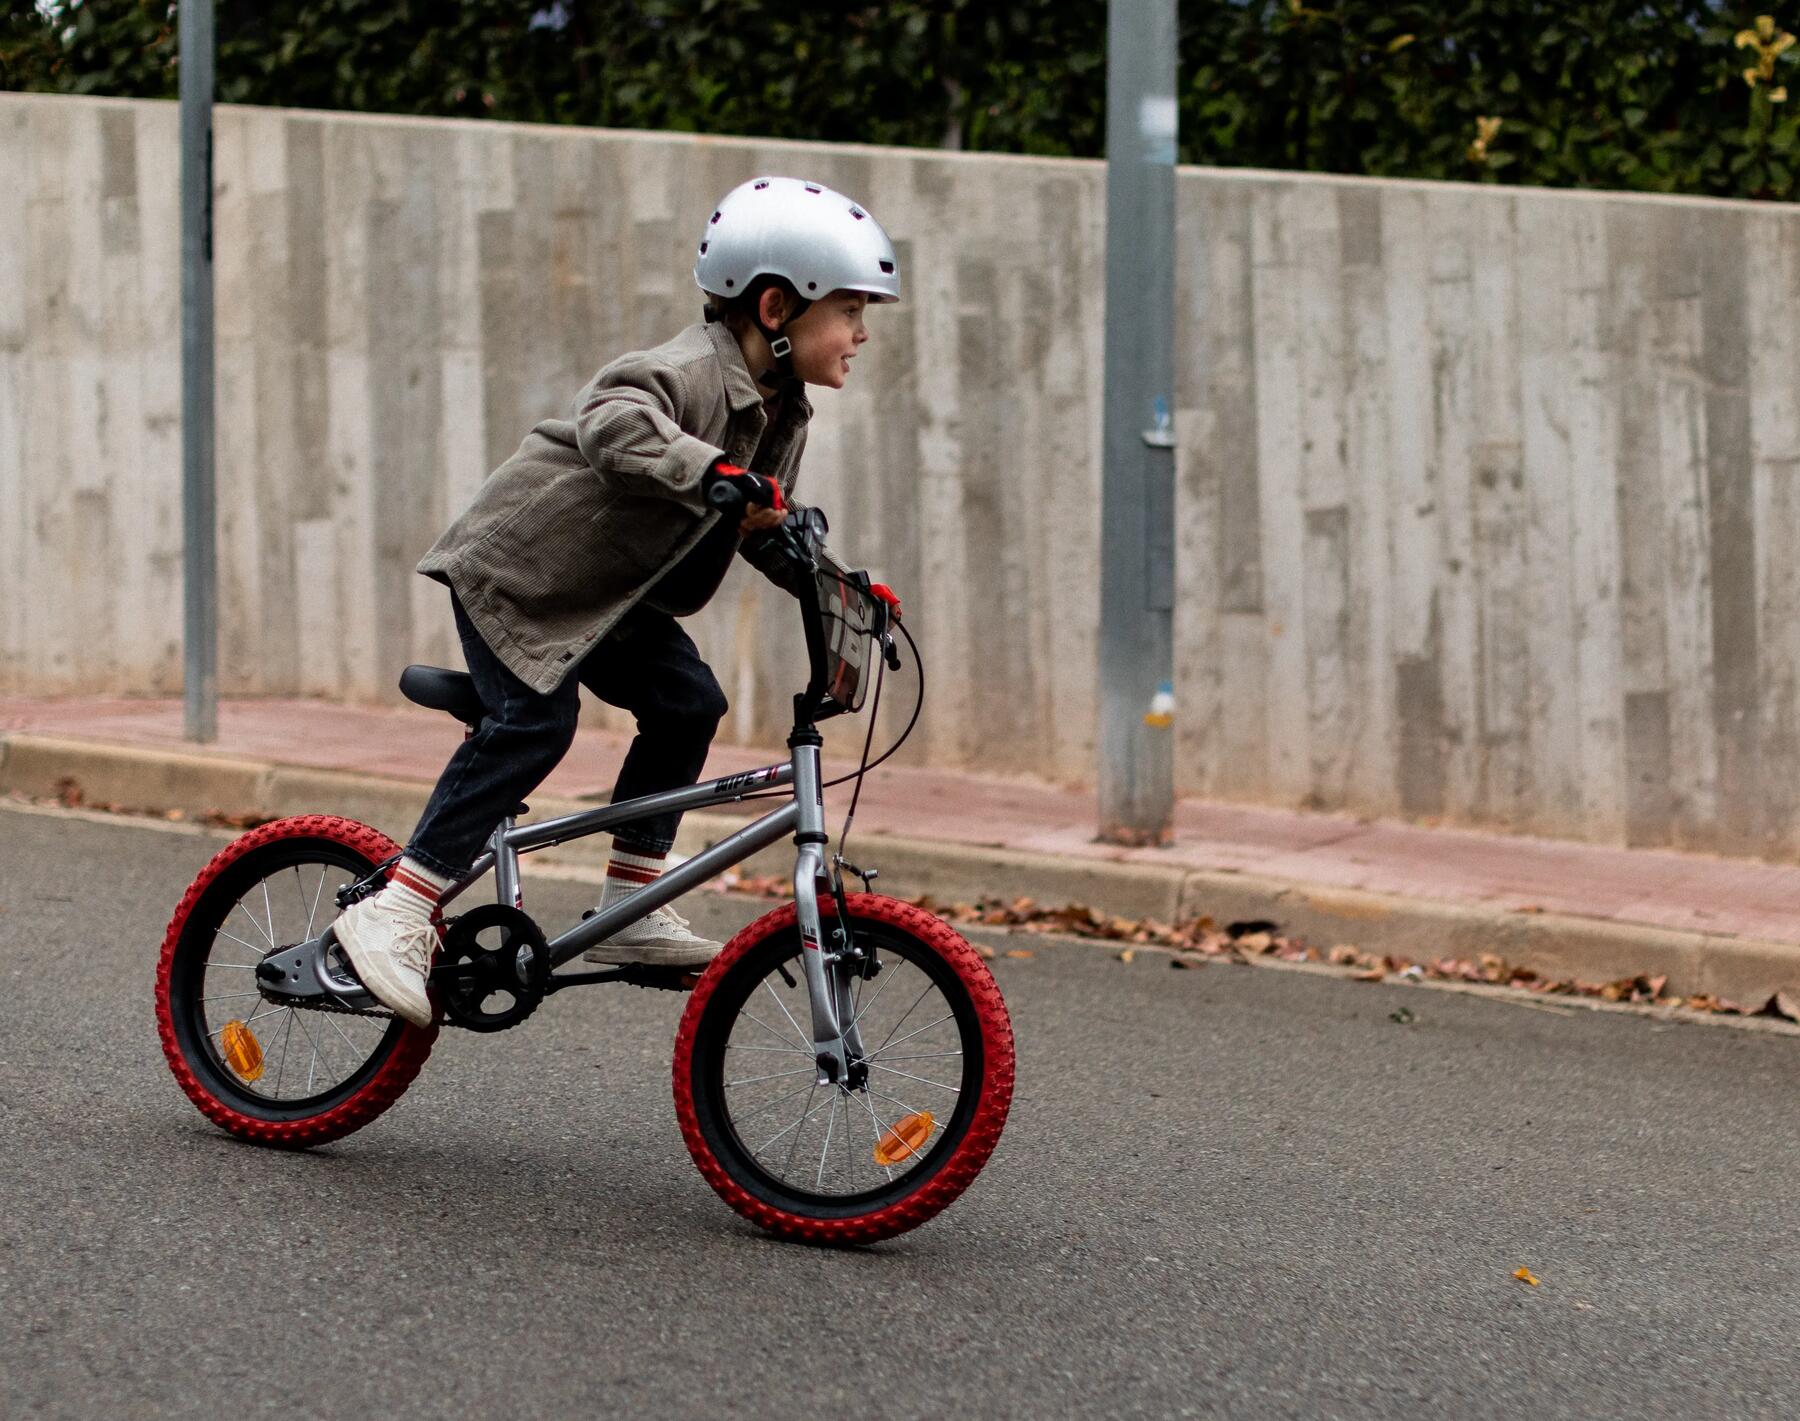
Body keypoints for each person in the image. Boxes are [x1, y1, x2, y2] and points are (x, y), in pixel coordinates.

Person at [331, 175, 903, 1027]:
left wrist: (842, 584)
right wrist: (709, 471)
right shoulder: (682, 372)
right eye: (851, 309)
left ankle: (628, 903)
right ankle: (395, 908)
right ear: (779, 309)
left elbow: (761, 522)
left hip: (610, 601)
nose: (861, 332)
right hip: (524, 577)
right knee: (535, 725)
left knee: (689, 703)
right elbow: (612, 418)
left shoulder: (784, 413)